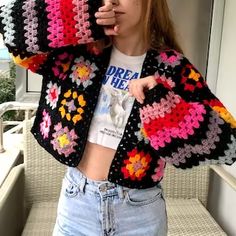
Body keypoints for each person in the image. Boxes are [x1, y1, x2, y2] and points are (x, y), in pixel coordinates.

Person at [1, 0, 236, 235]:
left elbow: (228, 141)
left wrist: (164, 101)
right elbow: (10, 27)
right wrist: (80, 15)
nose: (111, 1)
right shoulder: (77, 55)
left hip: (140, 212)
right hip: (76, 206)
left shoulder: (173, 68)